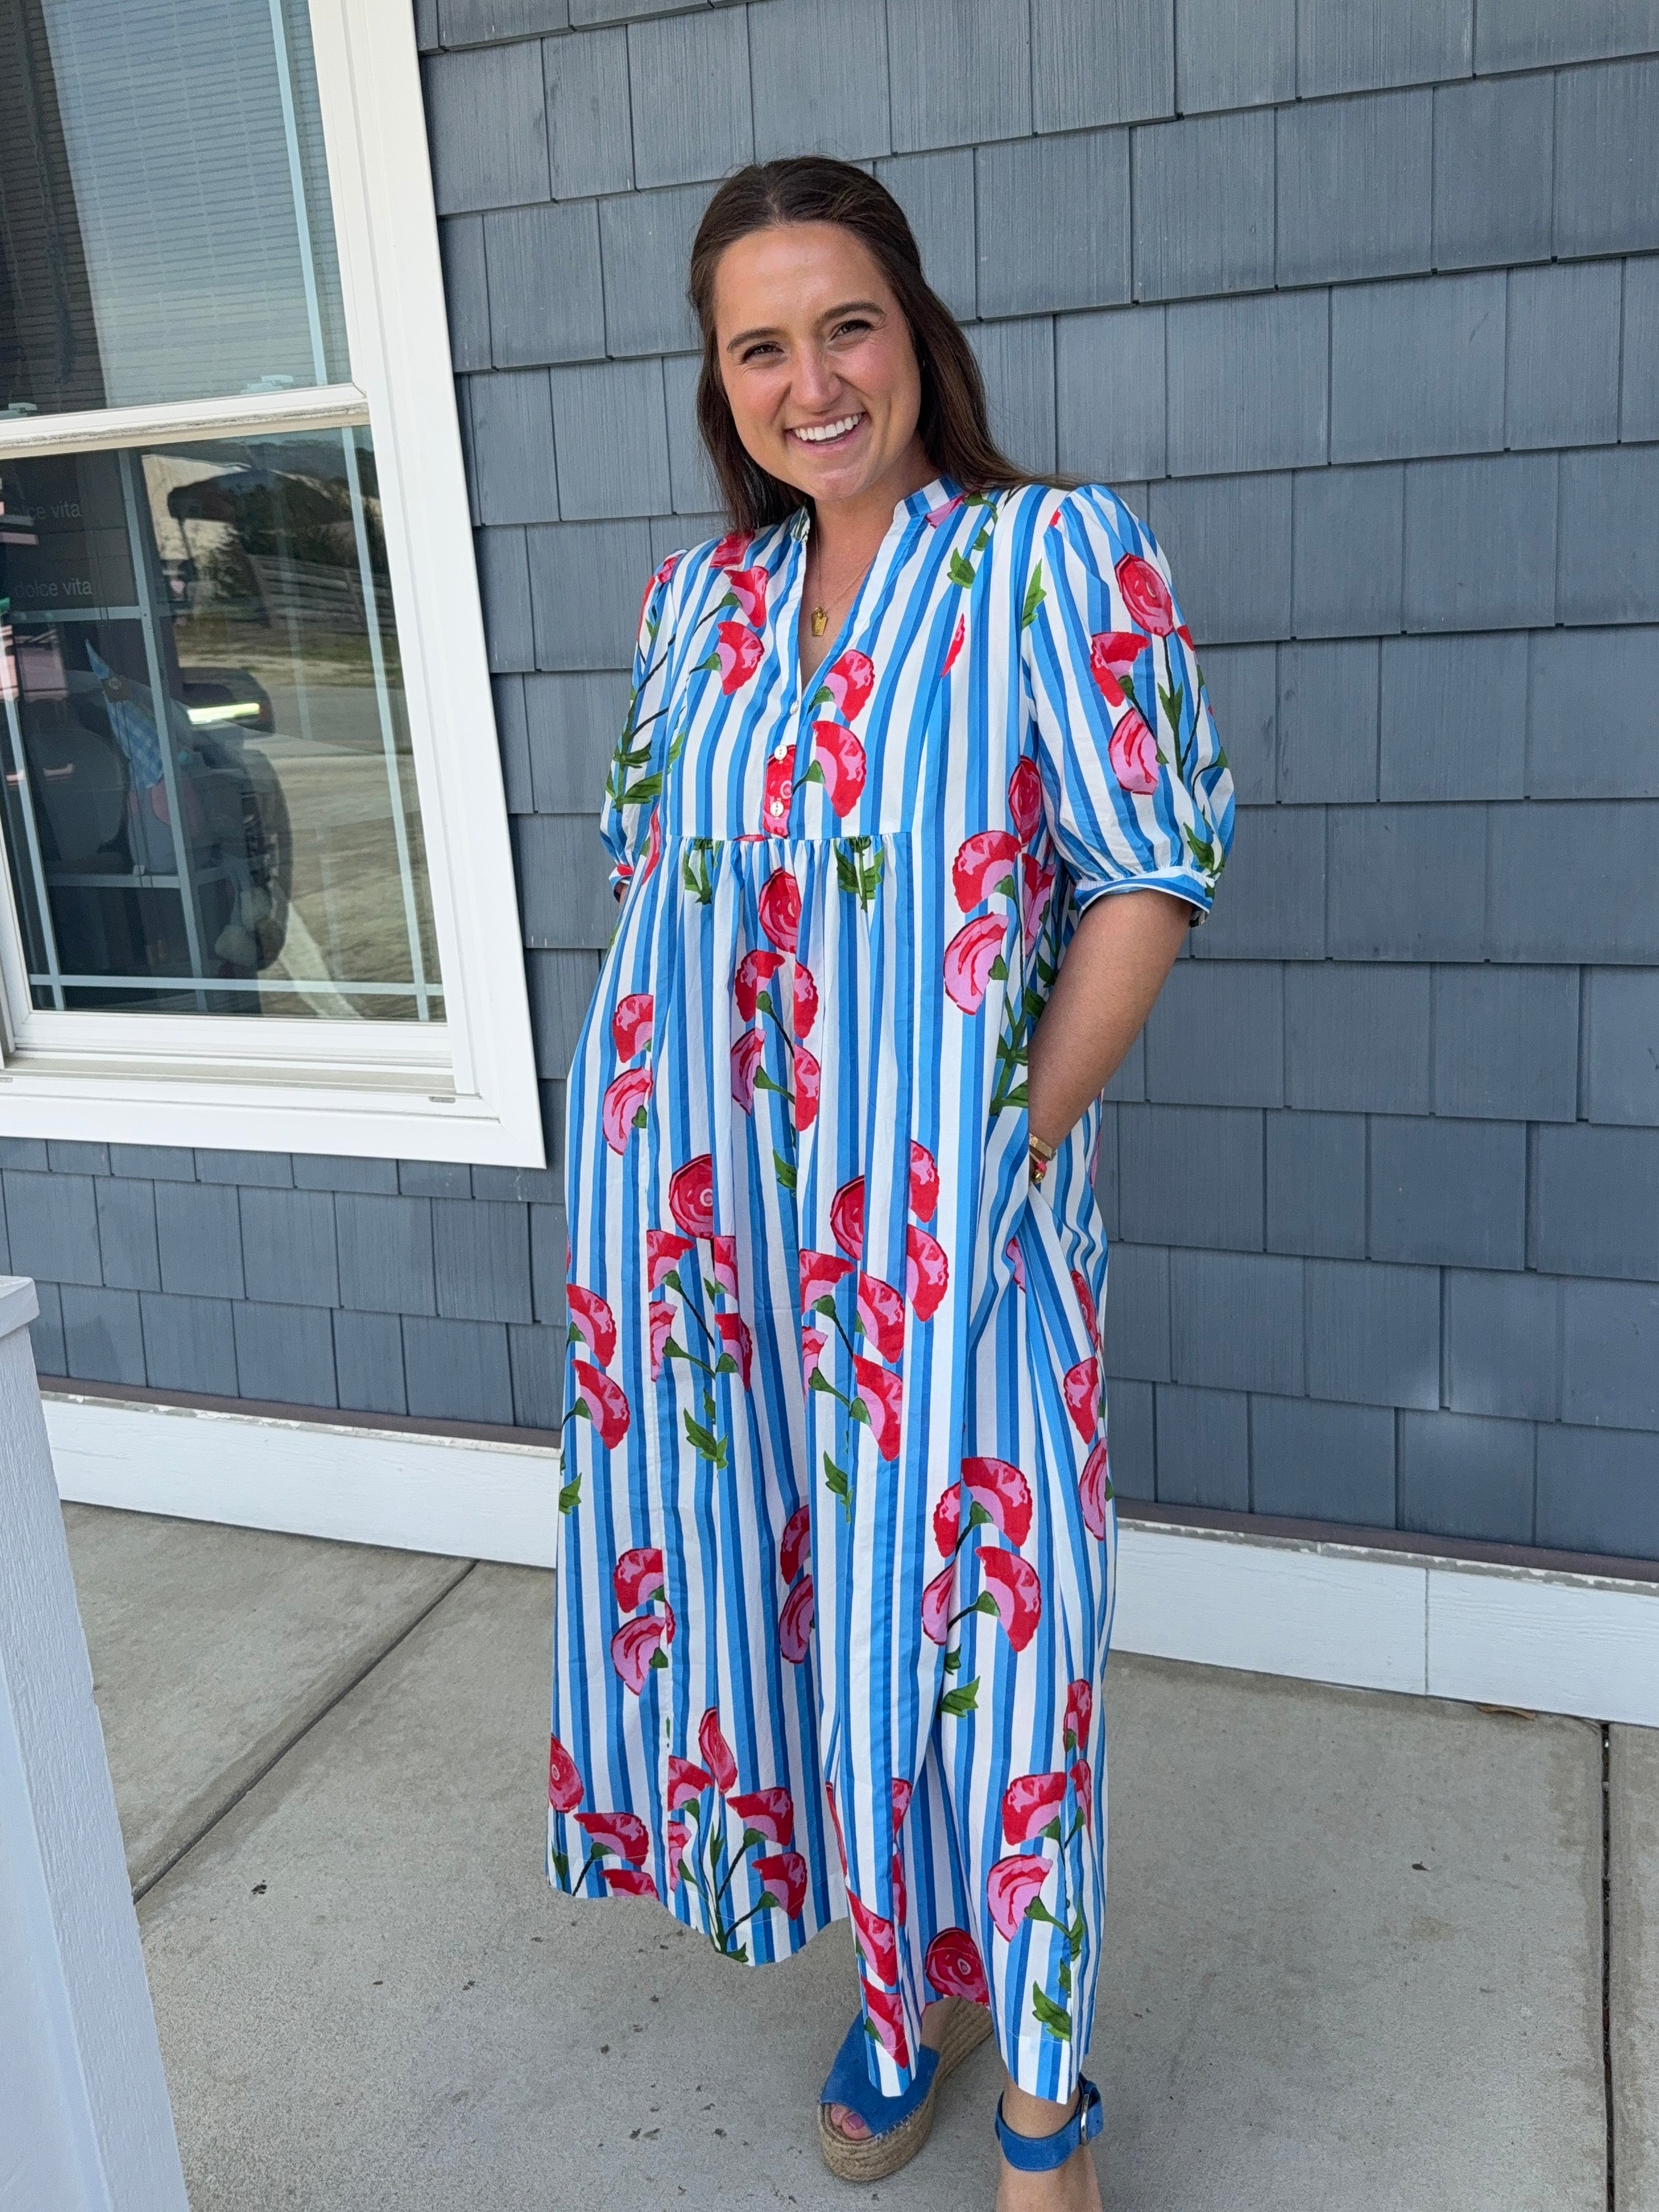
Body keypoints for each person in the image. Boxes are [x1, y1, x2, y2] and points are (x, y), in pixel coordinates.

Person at [548, 156, 1233, 2211]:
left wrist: (1001, 1146)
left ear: (912, 330)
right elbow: (657, 893)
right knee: (808, 1619)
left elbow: (1146, 870)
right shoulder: (694, 608)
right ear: (721, 381)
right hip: (717, 1244)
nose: (811, 381)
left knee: (997, 1646)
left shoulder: (1049, 557)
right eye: (759, 346)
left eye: (844, 324)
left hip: (959, 1230)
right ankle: (896, 1981)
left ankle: (1045, 2103)